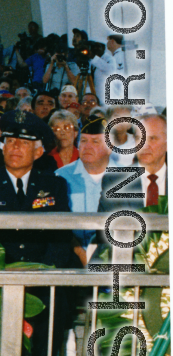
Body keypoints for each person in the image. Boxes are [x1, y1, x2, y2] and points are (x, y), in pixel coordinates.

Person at [0, 109, 72, 356]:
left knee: (56, 300)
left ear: (38, 153)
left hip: (41, 274)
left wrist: (44, 272)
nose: (15, 148)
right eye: (11, 141)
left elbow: (61, 236)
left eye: (24, 143)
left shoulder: (54, 185)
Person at [55, 114, 111, 266]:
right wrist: (80, 253)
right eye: (84, 141)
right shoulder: (61, 177)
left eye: (95, 142)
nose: (87, 146)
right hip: (71, 258)